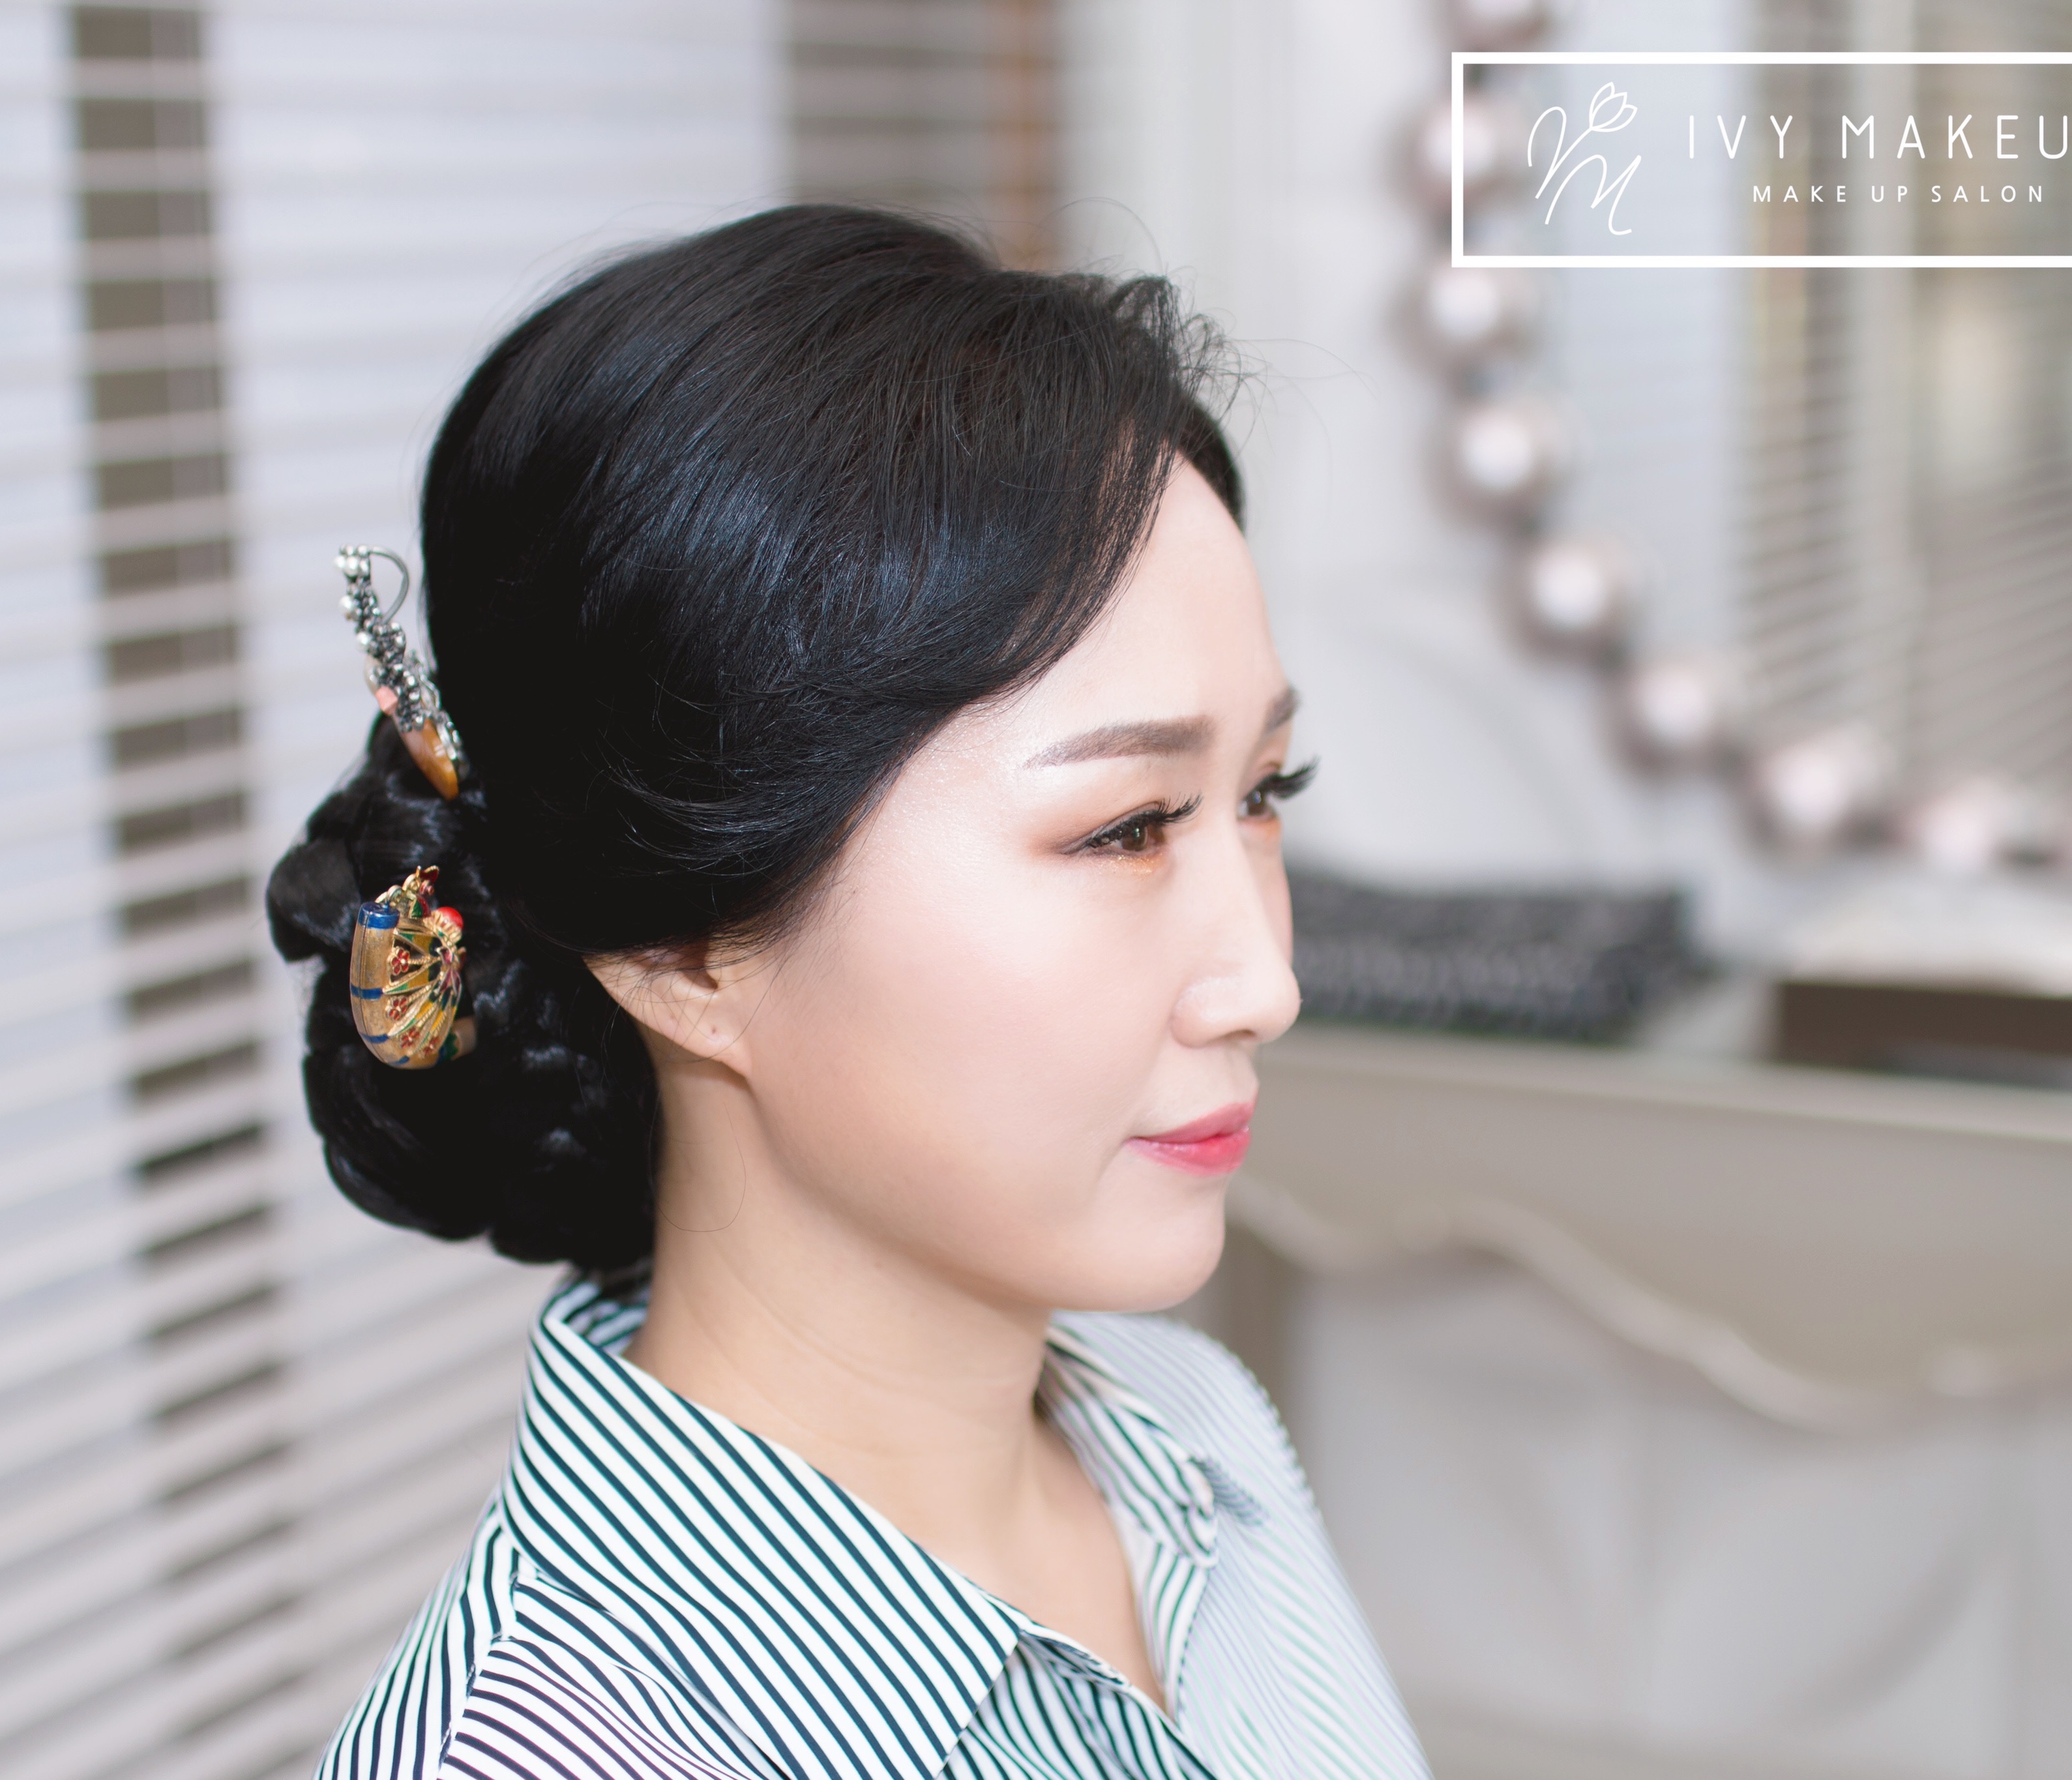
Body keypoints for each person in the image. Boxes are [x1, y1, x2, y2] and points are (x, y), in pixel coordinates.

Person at [268, 206, 1428, 1780]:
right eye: (1126, 827)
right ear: (682, 946)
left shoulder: (1199, 1439)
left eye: (1264, 791)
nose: (1264, 984)